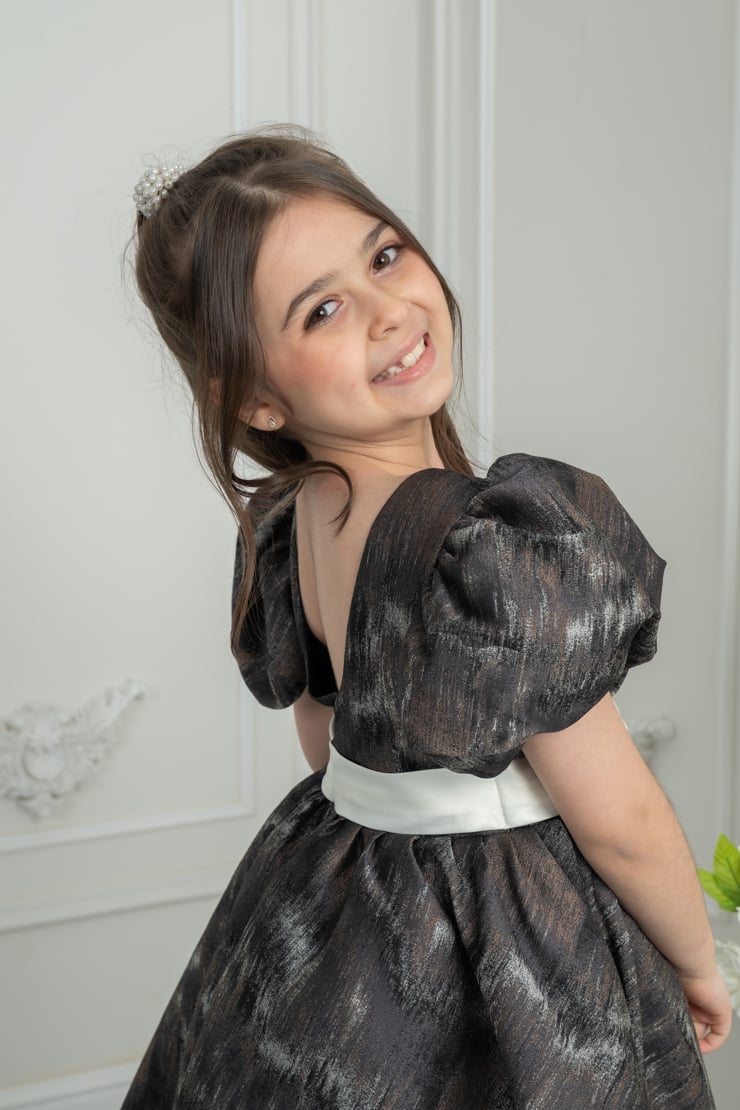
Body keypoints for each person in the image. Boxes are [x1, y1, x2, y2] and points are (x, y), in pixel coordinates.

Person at [122, 127, 731, 1109]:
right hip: (509, 928)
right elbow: (618, 819)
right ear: (255, 400)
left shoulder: (291, 521)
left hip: (345, 909)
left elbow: (327, 741)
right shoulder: (486, 548)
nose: (389, 312)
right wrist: (696, 960)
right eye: (322, 310)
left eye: (384, 255)